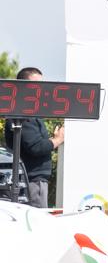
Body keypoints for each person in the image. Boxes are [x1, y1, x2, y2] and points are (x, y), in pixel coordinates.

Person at [2, 67, 63, 207]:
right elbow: (35, 147)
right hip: (32, 182)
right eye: (35, 85)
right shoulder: (22, 114)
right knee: (38, 225)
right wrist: (58, 139)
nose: (40, 90)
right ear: (22, 87)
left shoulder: (30, 112)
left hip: (34, 180)